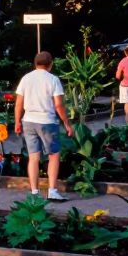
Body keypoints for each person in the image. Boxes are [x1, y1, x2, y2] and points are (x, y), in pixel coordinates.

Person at [13, 51, 75, 202]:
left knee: (33, 157)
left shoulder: (26, 79)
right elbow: (59, 105)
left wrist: (17, 122)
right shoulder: (53, 79)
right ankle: (52, 191)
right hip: (47, 121)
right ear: (51, 65)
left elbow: (18, 104)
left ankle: (34, 192)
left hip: (28, 121)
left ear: (35, 64)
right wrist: (67, 124)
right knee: (53, 156)